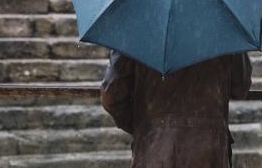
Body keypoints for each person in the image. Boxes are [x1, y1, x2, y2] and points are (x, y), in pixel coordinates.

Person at [101, 51, 252, 168]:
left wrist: (146, 127)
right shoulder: (224, 22)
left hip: (154, 148)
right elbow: (240, 87)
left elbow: (112, 96)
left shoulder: (136, 24)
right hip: (208, 148)